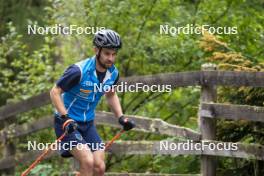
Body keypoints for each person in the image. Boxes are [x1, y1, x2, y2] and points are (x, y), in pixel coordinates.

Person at [50, 29, 135, 176]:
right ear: (97, 50)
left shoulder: (113, 74)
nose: (111, 58)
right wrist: (65, 118)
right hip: (66, 123)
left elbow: (111, 94)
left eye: (114, 54)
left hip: (87, 124)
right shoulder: (79, 71)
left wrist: (121, 117)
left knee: (99, 167)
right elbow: (54, 92)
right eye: (107, 53)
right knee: (87, 162)